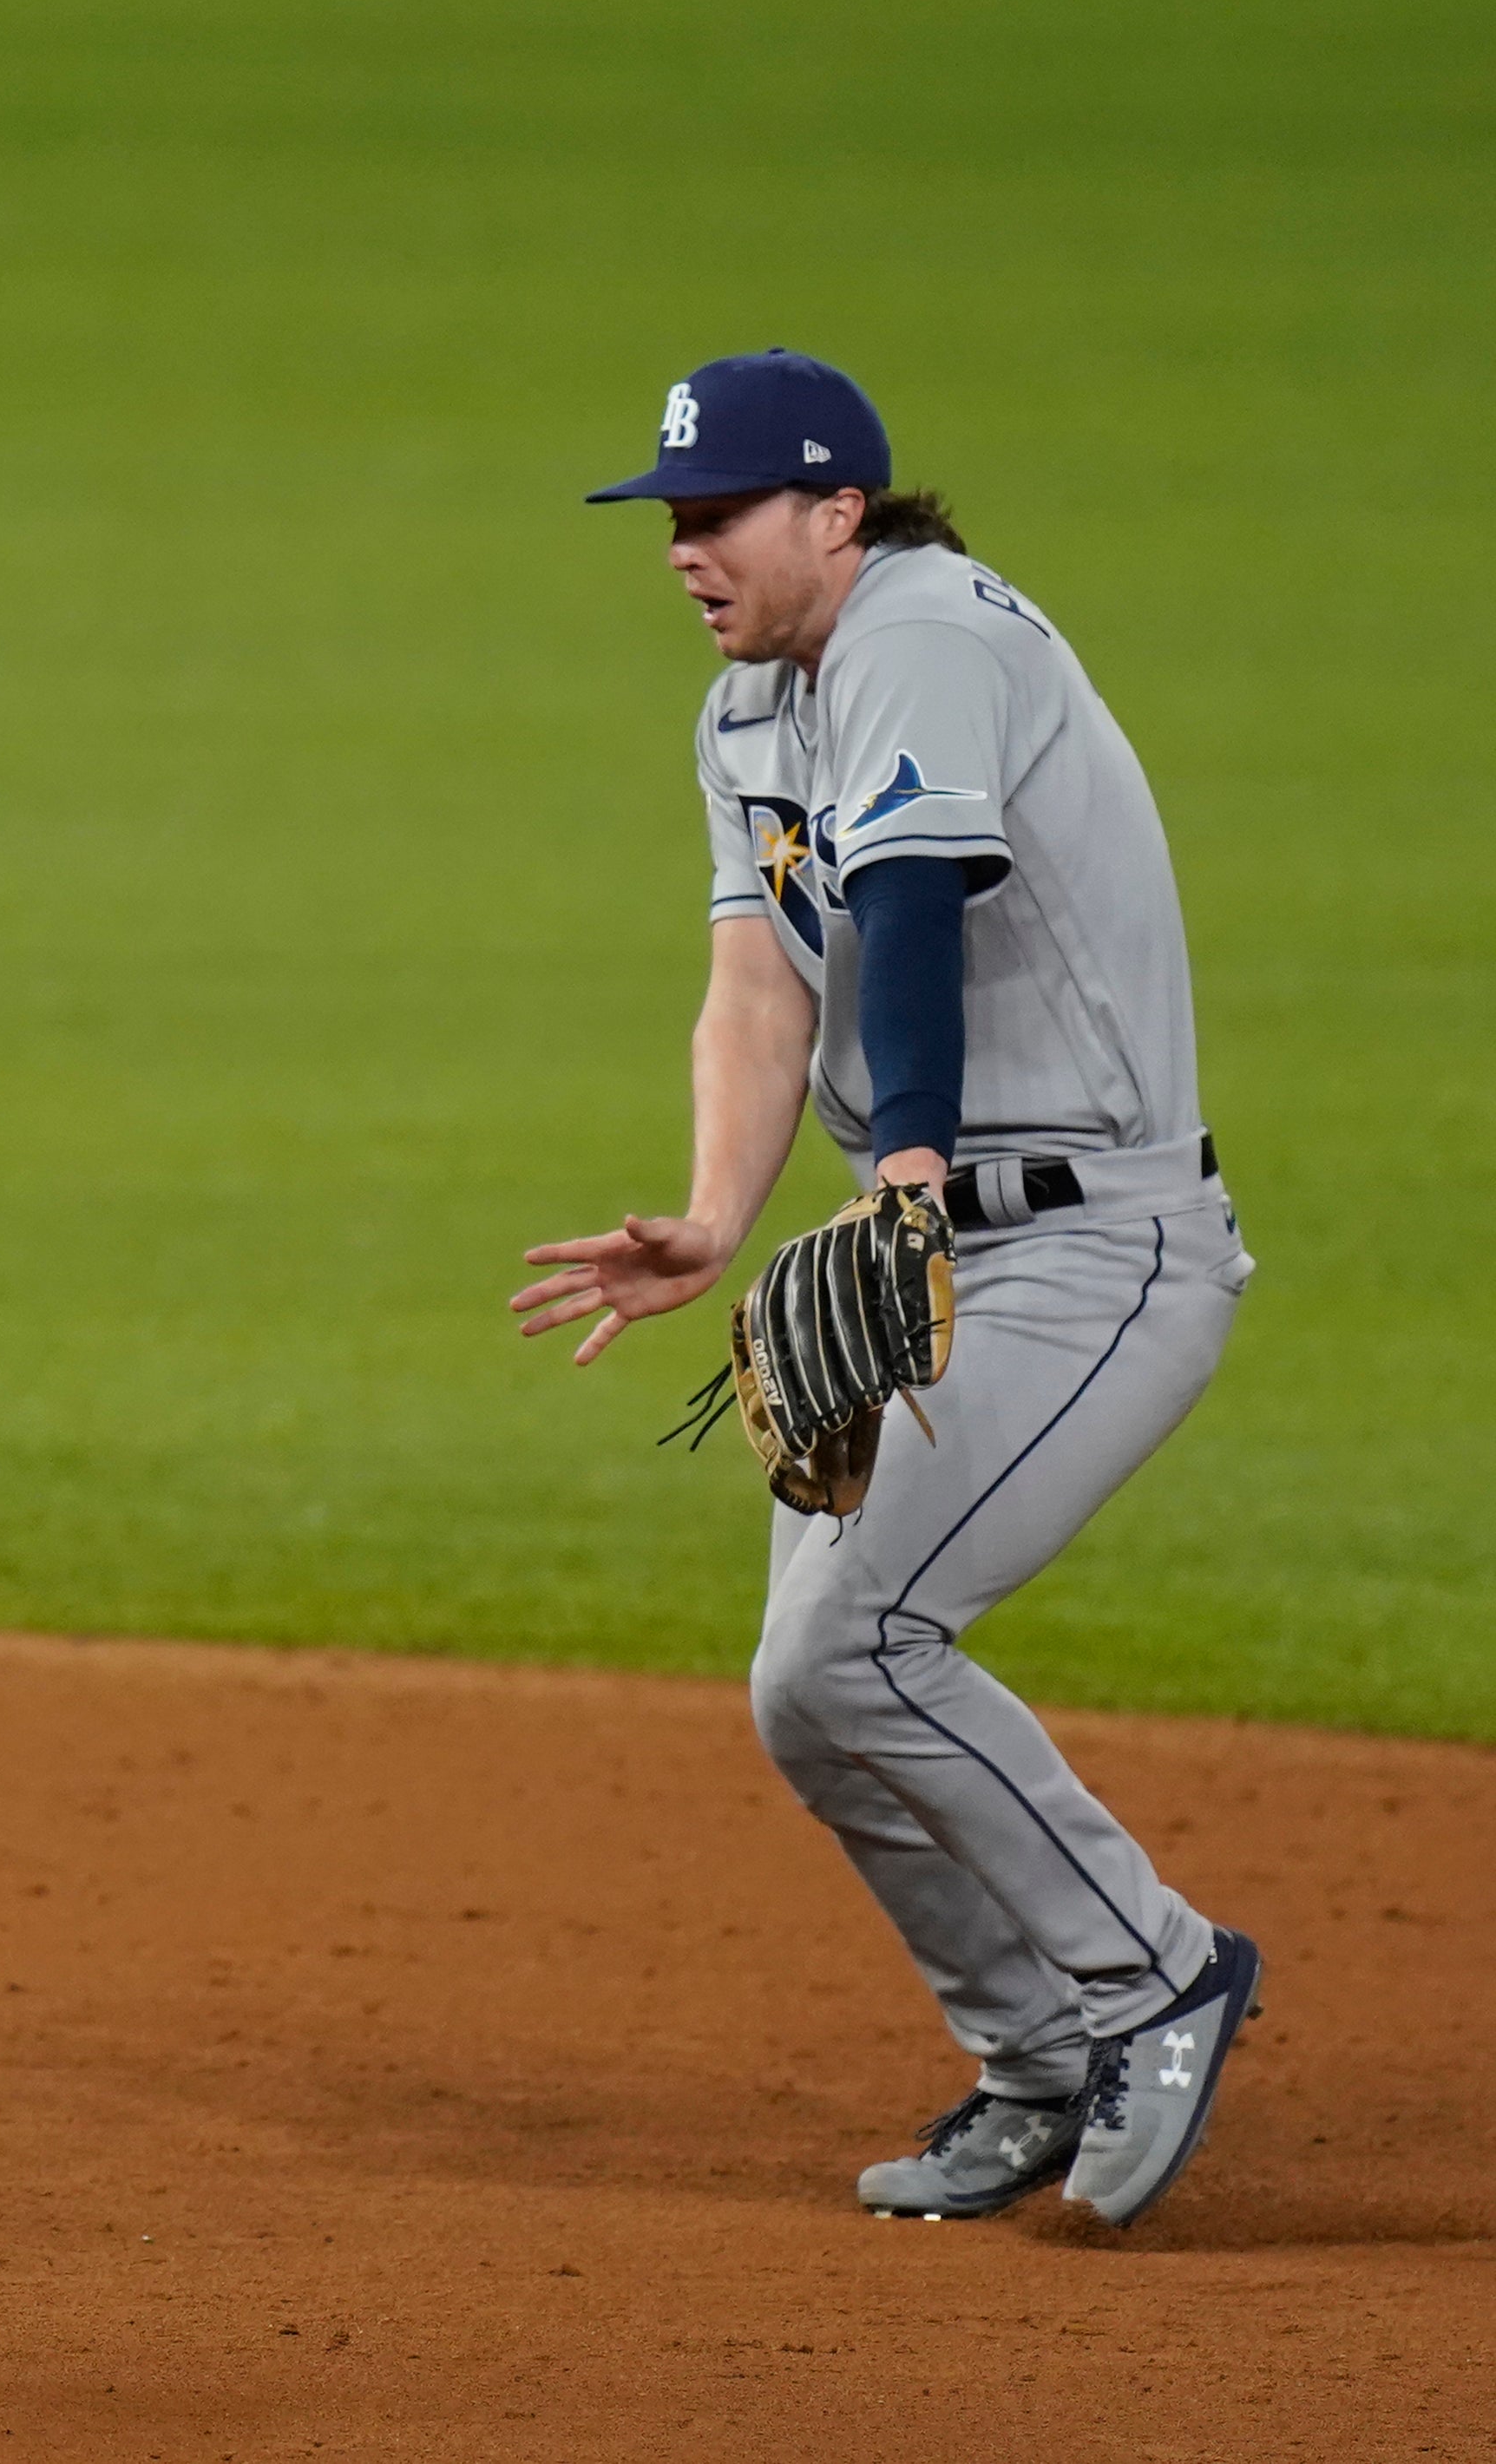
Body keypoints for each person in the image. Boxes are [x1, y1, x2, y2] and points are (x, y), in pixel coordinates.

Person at [514, 350, 1260, 2228]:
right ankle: (1031, 2057)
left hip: (1093, 1243)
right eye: (669, 519)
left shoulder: (923, 629)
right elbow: (758, 984)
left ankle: (1151, 1972)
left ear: (836, 508)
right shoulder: (743, 711)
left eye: (718, 514)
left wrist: (906, 1164)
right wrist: (708, 1212)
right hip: (934, 1238)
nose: (682, 550)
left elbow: (912, 901)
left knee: (857, 1646)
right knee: (805, 1691)